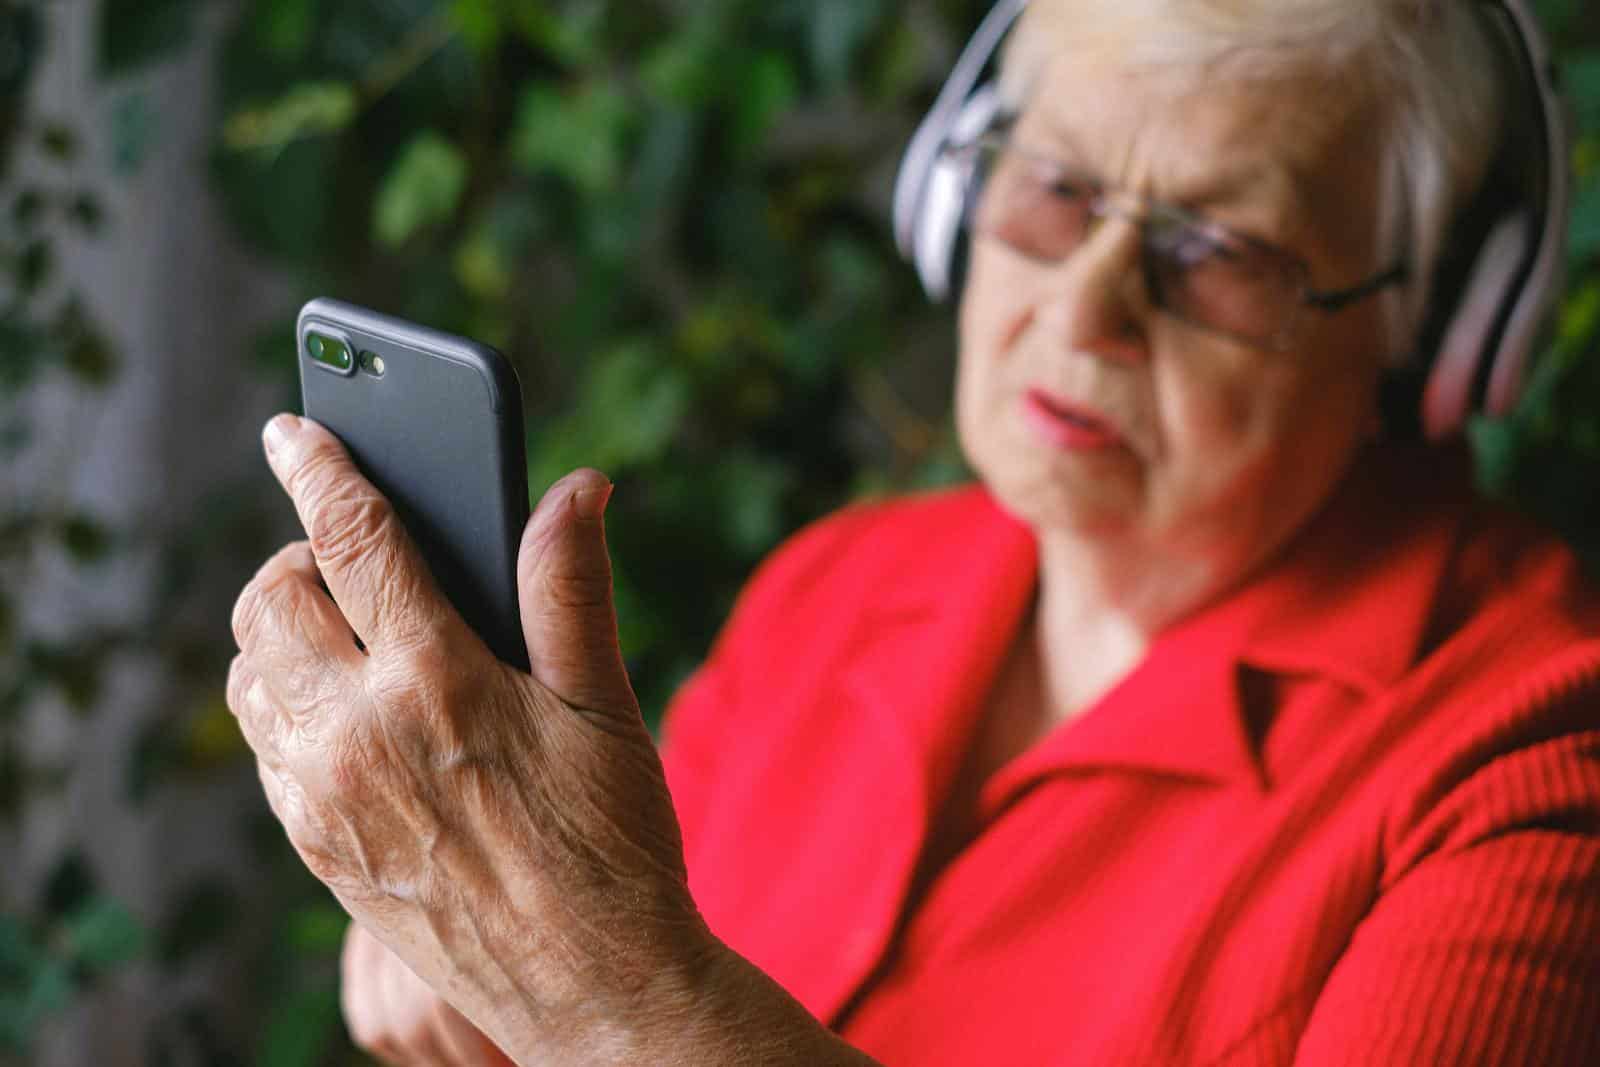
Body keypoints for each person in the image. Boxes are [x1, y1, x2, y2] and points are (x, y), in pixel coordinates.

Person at [226, 0, 1600, 1064]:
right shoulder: (842, 587)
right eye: (1051, 190)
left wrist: (593, 991)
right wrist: (489, 976)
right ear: (954, 195)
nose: (1081, 312)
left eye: (1222, 254)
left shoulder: (1532, 765)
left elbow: (623, 999)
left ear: (1434, 340)